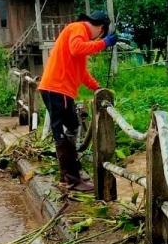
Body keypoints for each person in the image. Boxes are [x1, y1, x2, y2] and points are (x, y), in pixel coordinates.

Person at [38, 10, 117, 191]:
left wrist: (97, 87)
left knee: (71, 127)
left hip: (58, 89)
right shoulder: (78, 28)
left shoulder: (78, 33)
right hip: (57, 89)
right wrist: (104, 43)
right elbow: (76, 48)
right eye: (102, 35)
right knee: (63, 131)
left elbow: (81, 72)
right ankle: (72, 179)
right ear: (101, 29)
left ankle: (68, 174)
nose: (99, 38)